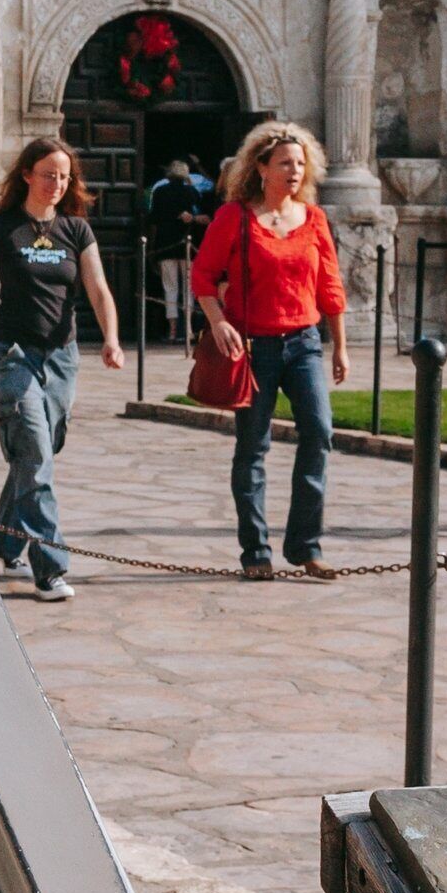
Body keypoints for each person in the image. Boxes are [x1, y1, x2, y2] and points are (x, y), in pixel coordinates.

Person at [0, 138, 128, 602]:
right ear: (26, 175)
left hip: (62, 356)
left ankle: (4, 539)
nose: (56, 183)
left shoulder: (76, 230)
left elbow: (98, 290)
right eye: (47, 174)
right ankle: (50, 569)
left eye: (63, 176)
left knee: (38, 451)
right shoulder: (1, 229)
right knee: (36, 452)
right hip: (12, 352)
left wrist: (112, 339)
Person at [192, 122, 352, 580]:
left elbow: (330, 287)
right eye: (285, 162)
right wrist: (219, 321)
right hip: (253, 346)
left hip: (303, 343)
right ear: (260, 167)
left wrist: (339, 346)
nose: (295, 171)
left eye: (301, 163)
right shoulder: (234, 218)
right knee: (252, 447)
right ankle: (255, 551)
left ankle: (306, 545)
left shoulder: (315, 219)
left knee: (319, 433)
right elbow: (203, 278)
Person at [144, 157, 215, 341]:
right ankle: (188, 329)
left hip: (165, 245)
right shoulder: (191, 192)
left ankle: (173, 330)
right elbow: (203, 217)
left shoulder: (159, 192)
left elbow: (154, 221)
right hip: (187, 246)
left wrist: (151, 247)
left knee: (170, 288)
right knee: (189, 289)